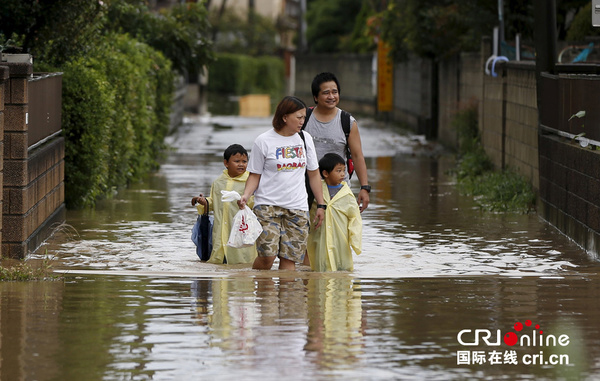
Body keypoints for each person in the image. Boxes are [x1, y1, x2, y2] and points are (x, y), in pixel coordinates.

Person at [238, 96, 326, 271]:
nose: (302, 121)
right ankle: (263, 295)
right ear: (285, 117)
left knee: (289, 261)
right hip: (267, 207)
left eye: (304, 117)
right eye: (298, 117)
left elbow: (314, 174)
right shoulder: (263, 141)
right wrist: (246, 195)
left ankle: (288, 298)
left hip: (298, 208)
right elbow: (254, 175)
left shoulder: (305, 139)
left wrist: (321, 204)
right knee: (267, 258)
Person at [303, 72, 371, 212]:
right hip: (306, 188)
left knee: (340, 231)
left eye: (335, 92)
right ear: (316, 97)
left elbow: (357, 156)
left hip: (338, 190)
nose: (331, 96)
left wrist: (364, 188)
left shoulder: (347, 122)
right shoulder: (304, 119)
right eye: (326, 93)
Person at [191, 144, 257, 265]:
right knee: (220, 264)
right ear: (226, 163)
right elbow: (214, 203)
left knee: (243, 264)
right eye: (237, 161)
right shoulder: (218, 182)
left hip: (242, 230)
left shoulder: (250, 182)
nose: (241, 164)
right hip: (221, 232)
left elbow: (256, 202)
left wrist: (247, 201)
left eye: (244, 161)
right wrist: (204, 202)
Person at [307, 153, 362, 272]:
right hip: (319, 237)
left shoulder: (346, 194)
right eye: (338, 171)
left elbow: (355, 217)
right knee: (319, 270)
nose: (343, 174)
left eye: (344, 170)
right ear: (325, 173)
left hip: (340, 239)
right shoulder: (317, 192)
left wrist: (355, 240)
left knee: (343, 269)